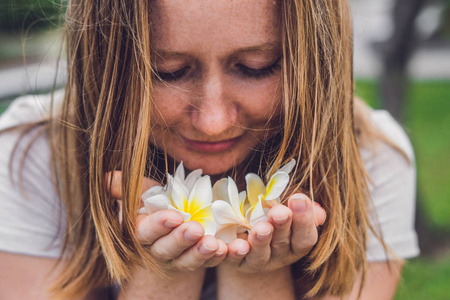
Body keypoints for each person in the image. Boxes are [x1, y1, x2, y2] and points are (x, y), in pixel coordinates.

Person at [0, 0, 419, 299]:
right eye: (168, 72)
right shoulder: (29, 156)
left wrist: (258, 272)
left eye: (258, 67)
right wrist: (162, 278)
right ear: (107, 63)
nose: (214, 121)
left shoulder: (373, 159)